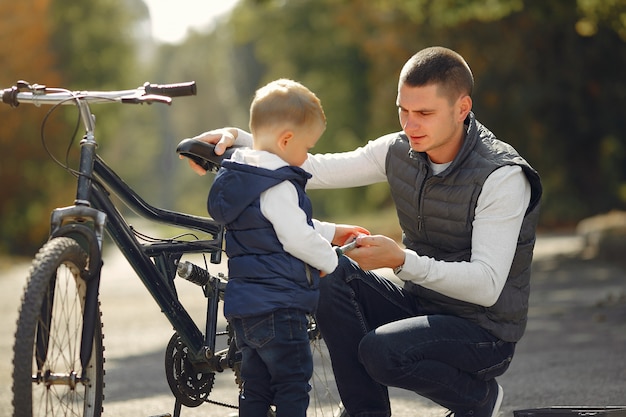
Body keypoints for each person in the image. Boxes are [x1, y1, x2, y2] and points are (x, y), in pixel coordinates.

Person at [186, 47, 542, 417]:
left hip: (482, 333)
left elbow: (486, 286)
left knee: (380, 351)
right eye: (403, 110)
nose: (410, 125)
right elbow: (313, 167)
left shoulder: (502, 176)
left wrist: (401, 260)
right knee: (326, 274)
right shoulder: (397, 149)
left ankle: (479, 399)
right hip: (421, 307)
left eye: (424, 113)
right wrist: (242, 140)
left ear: (462, 108)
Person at [205, 78, 368, 417]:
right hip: (281, 309)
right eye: (307, 147)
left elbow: (276, 228)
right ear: (286, 140)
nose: (307, 156)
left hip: (246, 312)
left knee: (256, 390)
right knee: (293, 386)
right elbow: (296, 237)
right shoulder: (277, 184)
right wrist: (331, 261)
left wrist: (333, 231)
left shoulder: (241, 179)